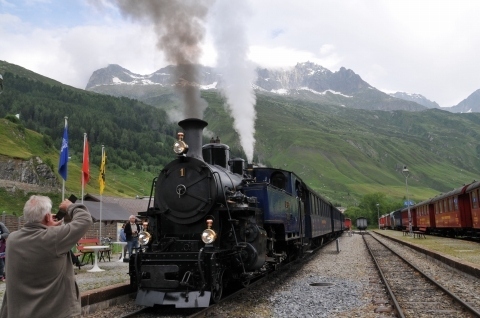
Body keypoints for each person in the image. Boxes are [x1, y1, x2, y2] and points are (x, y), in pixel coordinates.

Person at [0, 195, 92, 318]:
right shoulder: (54, 238)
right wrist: (70, 206)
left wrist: (47, 226)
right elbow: (85, 220)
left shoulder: (12, 239)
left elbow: (37, 235)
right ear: (48, 217)